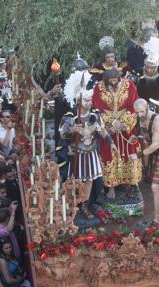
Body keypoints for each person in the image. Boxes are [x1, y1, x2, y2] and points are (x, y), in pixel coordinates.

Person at [60, 72, 114, 217]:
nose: (89, 103)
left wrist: (111, 142)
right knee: (76, 180)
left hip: (91, 152)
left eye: (90, 100)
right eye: (86, 100)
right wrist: (72, 129)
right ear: (78, 101)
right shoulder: (71, 116)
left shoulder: (95, 114)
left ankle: (85, 204)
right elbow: (62, 133)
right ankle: (74, 205)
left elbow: (102, 130)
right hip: (76, 153)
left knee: (89, 179)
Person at [91, 68, 142, 198]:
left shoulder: (129, 85)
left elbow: (134, 105)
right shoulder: (98, 87)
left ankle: (131, 185)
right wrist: (111, 123)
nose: (113, 83)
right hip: (108, 130)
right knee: (109, 155)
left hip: (126, 128)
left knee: (129, 153)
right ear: (106, 80)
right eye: (110, 81)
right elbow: (96, 108)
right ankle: (111, 188)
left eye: (115, 80)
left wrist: (125, 122)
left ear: (119, 78)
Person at [134, 99, 159, 225]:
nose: (139, 115)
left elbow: (156, 144)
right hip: (153, 154)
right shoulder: (140, 118)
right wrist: (135, 136)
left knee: (155, 187)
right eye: (137, 112)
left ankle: (156, 220)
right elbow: (142, 132)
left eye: (141, 112)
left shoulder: (157, 121)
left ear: (147, 108)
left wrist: (139, 155)